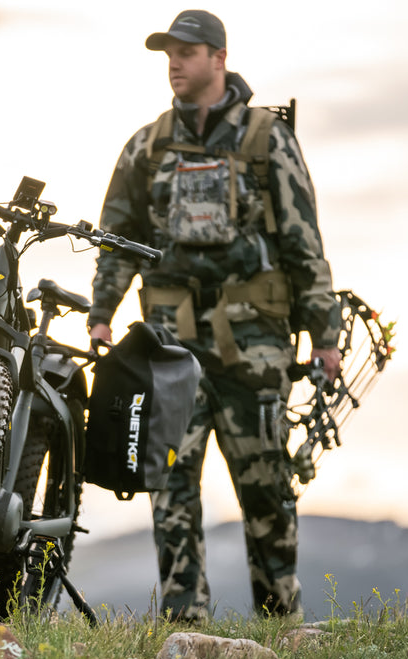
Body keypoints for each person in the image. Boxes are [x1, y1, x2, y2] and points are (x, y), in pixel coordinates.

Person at [88, 9, 342, 621]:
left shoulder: (266, 139)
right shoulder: (147, 146)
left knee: (267, 490)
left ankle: (281, 624)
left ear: (218, 58)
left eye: (187, 51)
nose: (174, 62)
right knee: (170, 488)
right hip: (170, 351)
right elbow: (118, 238)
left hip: (254, 346)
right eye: (168, 52)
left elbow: (302, 241)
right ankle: (185, 625)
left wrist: (326, 334)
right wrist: (101, 314)